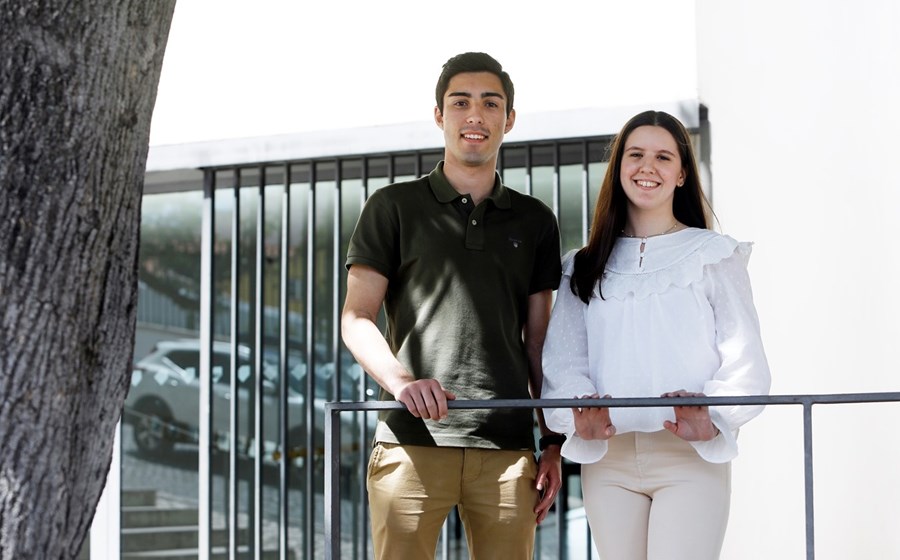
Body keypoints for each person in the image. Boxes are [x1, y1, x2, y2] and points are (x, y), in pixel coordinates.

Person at [341, 52, 565, 560]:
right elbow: (355, 320)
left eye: (491, 103)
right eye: (460, 101)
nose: (475, 115)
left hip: (508, 447)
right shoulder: (392, 206)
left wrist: (552, 441)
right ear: (440, 114)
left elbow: (540, 342)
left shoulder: (535, 221)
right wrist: (401, 382)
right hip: (410, 442)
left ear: (508, 119)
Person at [541, 110, 771, 560]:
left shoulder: (714, 255)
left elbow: (745, 359)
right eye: (636, 154)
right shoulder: (583, 265)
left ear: (682, 173)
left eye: (664, 156)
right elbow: (564, 361)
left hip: (688, 455)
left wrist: (715, 418)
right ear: (619, 167)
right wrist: (578, 416)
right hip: (608, 461)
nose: (648, 167)